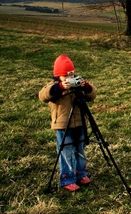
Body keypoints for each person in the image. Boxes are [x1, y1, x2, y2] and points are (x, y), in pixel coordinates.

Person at [39, 54, 96, 192]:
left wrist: (86, 87)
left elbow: (92, 96)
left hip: (80, 123)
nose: (69, 80)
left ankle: (81, 173)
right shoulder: (54, 87)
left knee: (80, 150)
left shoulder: (77, 85)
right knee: (66, 151)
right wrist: (60, 87)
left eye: (72, 76)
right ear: (58, 76)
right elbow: (43, 95)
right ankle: (67, 178)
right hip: (63, 125)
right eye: (66, 77)